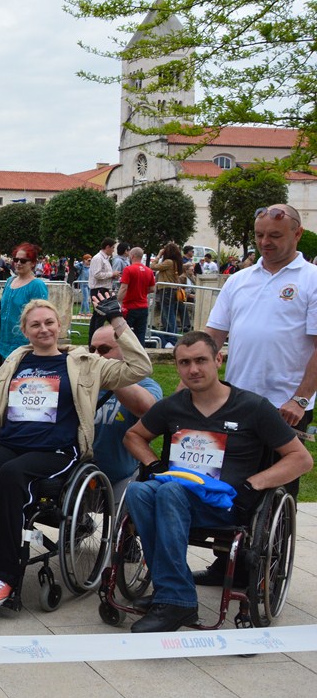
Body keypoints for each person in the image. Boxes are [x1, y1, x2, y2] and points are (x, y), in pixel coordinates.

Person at [0, 295, 150, 609]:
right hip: (11, 443)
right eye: (35, 325)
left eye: (49, 323)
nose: (43, 329)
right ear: (25, 331)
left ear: (60, 326)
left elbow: (139, 367)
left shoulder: (84, 363)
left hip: (56, 450)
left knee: (13, 475)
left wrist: (117, 320)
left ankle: (5, 576)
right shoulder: (16, 360)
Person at [121, 332, 312, 632]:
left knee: (169, 491)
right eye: (184, 363)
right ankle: (172, 594)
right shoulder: (175, 406)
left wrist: (256, 483)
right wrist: (154, 464)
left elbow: (301, 459)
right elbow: (134, 435)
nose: (193, 369)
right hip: (176, 496)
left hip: (226, 503)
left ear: (218, 360)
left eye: (200, 360)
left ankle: (175, 601)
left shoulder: (253, 408)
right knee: (139, 490)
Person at [196, 203, 317, 584]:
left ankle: (266, 569)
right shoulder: (239, 279)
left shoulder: (311, 279)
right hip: (236, 398)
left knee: (277, 485)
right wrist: (194, 380)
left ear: (297, 234)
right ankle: (224, 563)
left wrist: (300, 398)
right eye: (260, 235)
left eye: (275, 236)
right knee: (228, 483)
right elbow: (215, 334)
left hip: (285, 405)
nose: (265, 242)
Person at [88, 324, 162, 500]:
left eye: (104, 349)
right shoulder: (82, 383)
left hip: (123, 476)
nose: (96, 356)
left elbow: (149, 411)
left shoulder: (147, 385)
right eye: (92, 350)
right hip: (82, 473)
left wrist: (115, 375)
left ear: (126, 351)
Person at [0, 243, 49, 363]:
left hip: (24, 344)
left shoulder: (37, 286)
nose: (18, 263)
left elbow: (42, 315)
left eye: (23, 260)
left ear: (33, 263)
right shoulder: (10, 281)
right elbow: (5, 302)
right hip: (4, 340)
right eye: (16, 259)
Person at [117, 247, 156, 346]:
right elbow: (152, 288)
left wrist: (118, 301)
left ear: (132, 255)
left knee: (124, 334)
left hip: (129, 307)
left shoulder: (128, 269)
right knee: (140, 334)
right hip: (143, 306)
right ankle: (140, 356)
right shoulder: (149, 271)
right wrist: (142, 291)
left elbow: (123, 288)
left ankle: (125, 355)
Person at [151, 241, 184, 335]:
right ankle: (168, 333)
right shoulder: (176, 262)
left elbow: (153, 266)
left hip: (166, 290)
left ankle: (172, 335)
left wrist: (159, 255)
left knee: (168, 314)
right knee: (169, 313)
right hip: (172, 290)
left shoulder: (168, 262)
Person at [87, 238, 116, 341]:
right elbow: (97, 274)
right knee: (100, 316)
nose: (113, 250)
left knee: (98, 316)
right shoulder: (98, 258)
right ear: (107, 247)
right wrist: (112, 274)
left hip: (103, 289)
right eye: (112, 248)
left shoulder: (105, 259)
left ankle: (93, 342)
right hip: (99, 290)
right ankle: (95, 341)